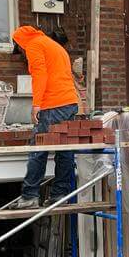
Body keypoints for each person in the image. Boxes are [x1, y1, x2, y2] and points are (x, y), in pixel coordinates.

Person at [12, 25, 80, 209]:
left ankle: (29, 196)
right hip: (69, 102)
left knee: (38, 148)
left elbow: (39, 75)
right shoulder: (54, 45)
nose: (22, 54)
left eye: (19, 50)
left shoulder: (33, 45)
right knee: (64, 149)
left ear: (20, 43)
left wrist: (36, 105)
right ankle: (60, 194)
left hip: (53, 104)